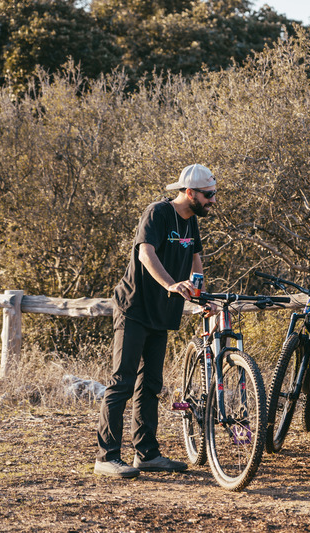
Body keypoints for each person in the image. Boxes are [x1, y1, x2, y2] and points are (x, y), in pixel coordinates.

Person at [94, 164, 217, 478]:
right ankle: (106, 457)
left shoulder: (191, 223)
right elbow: (145, 253)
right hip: (134, 308)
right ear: (189, 192)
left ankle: (146, 454)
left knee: (151, 385)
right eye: (208, 195)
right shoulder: (158, 213)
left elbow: (195, 260)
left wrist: (201, 294)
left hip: (162, 314)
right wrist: (171, 285)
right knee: (122, 382)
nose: (212, 201)